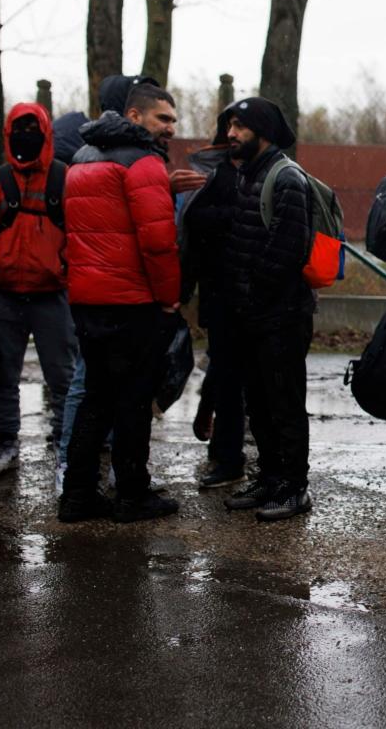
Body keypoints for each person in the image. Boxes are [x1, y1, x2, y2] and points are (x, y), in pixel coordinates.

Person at [57, 83, 182, 524]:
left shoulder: (82, 159)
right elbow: (157, 243)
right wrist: (169, 298)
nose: (171, 127)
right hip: (131, 301)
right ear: (135, 116)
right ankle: (132, 494)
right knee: (133, 400)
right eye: (163, 118)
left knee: (97, 397)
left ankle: (77, 495)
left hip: (88, 299)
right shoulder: (143, 162)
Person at [215, 97, 315, 521]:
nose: (231, 134)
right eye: (229, 125)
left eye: (239, 126)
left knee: (284, 403)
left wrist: (253, 293)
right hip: (253, 314)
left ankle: (294, 487)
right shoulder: (247, 175)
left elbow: (285, 251)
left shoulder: (287, 178)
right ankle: (270, 477)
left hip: (281, 316)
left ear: (263, 131)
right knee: (259, 401)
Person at [0, 103, 77, 477]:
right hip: (3, 294)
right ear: (7, 134)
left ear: (45, 132)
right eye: (17, 129)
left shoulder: (63, 179)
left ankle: (65, 443)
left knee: (62, 376)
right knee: (3, 374)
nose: (24, 136)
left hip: (52, 294)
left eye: (31, 128)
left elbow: (79, 236)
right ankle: (7, 442)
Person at [178, 112, 247, 490]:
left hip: (244, 291)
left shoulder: (263, 172)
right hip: (222, 291)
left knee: (233, 373)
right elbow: (197, 223)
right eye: (231, 127)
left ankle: (222, 439)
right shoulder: (216, 174)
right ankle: (226, 455)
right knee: (228, 371)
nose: (235, 134)